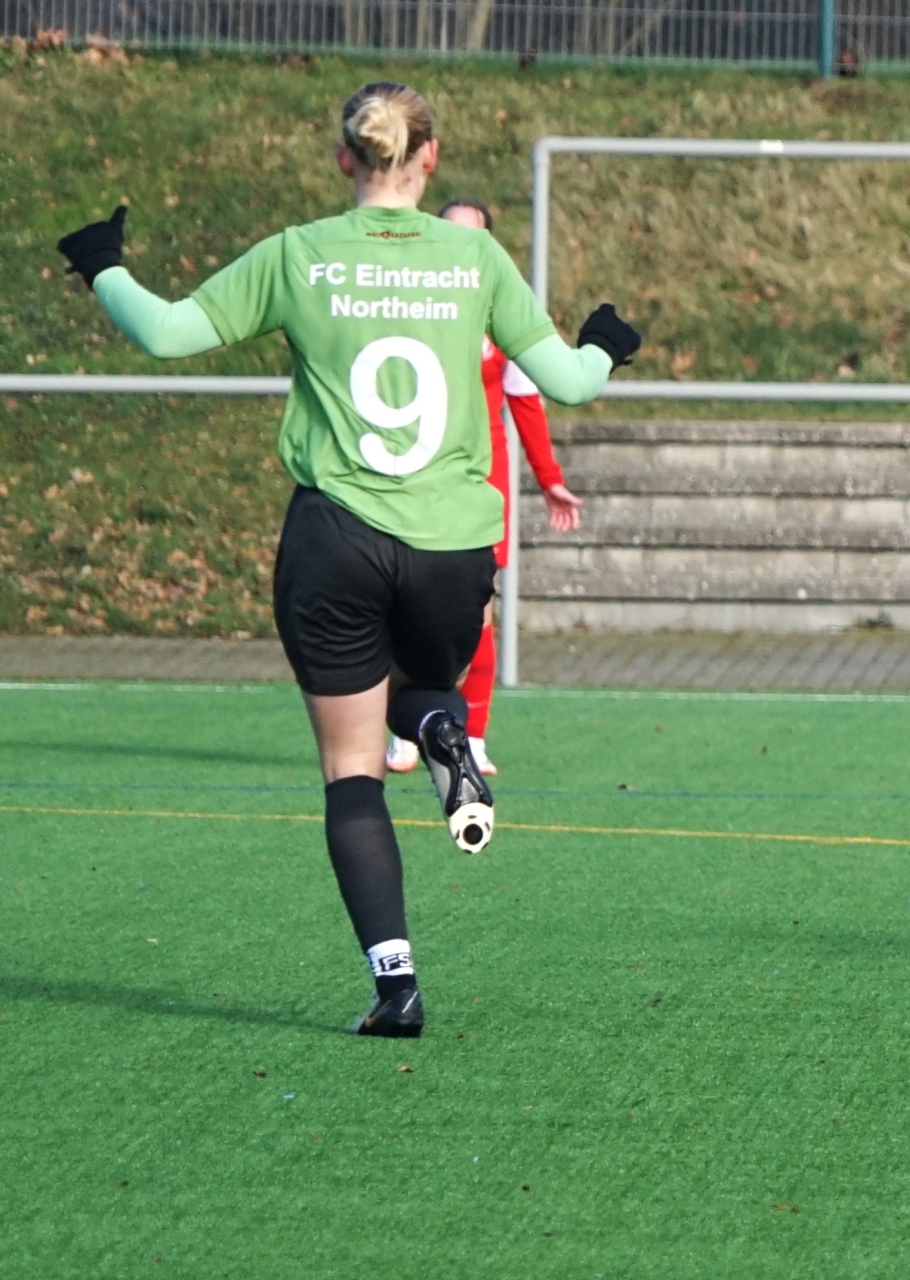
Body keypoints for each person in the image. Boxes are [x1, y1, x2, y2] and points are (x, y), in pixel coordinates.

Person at [57, 82, 641, 1036]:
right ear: (430, 158)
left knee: (353, 771)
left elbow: (165, 332)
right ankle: (445, 731)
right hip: (453, 546)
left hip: (337, 540)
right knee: (422, 685)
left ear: (344, 159)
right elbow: (571, 382)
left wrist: (100, 263)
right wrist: (606, 345)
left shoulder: (301, 253)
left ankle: (396, 985)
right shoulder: (475, 255)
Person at [386, 197, 580, 778]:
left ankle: (470, 737)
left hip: (478, 483)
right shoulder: (401, 302)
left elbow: (525, 397)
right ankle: (403, 732)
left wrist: (550, 480)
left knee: (477, 612)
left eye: (472, 236)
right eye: (448, 232)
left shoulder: (501, 312)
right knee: (399, 604)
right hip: (412, 475)